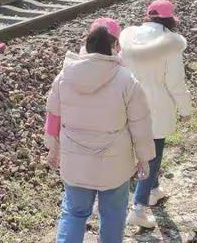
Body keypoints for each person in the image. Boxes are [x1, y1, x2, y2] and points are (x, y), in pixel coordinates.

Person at [45, 18, 155, 243]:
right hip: (114, 163)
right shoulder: (126, 80)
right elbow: (141, 125)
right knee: (113, 215)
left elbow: (53, 117)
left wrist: (52, 147)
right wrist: (144, 158)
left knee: (74, 213)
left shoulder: (64, 77)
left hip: (75, 161)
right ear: (113, 47)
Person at [119, 0, 193, 229]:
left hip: (130, 101)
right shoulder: (169, 43)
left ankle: (153, 188)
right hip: (157, 105)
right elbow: (175, 83)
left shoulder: (130, 37)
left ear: (148, 16)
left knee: (139, 149)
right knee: (154, 155)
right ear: (170, 19)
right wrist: (185, 109)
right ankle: (139, 207)